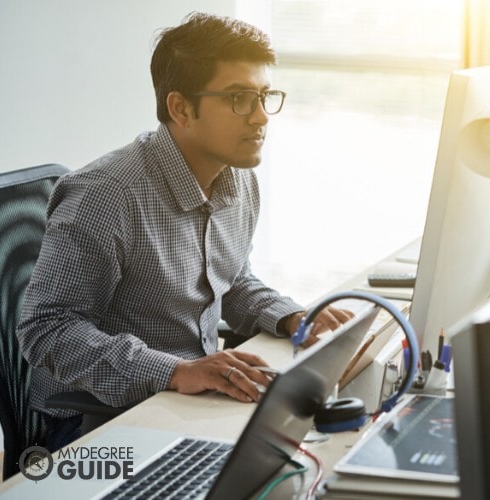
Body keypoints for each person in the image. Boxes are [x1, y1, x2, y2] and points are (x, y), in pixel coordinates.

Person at [17, 12, 352, 451]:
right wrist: (175, 371)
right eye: (239, 98)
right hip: (96, 420)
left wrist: (293, 318)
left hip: (192, 399)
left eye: (264, 96)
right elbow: (47, 329)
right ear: (181, 108)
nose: (260, 117)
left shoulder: (237, 177)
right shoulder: (106, 196)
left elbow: (231, 282)